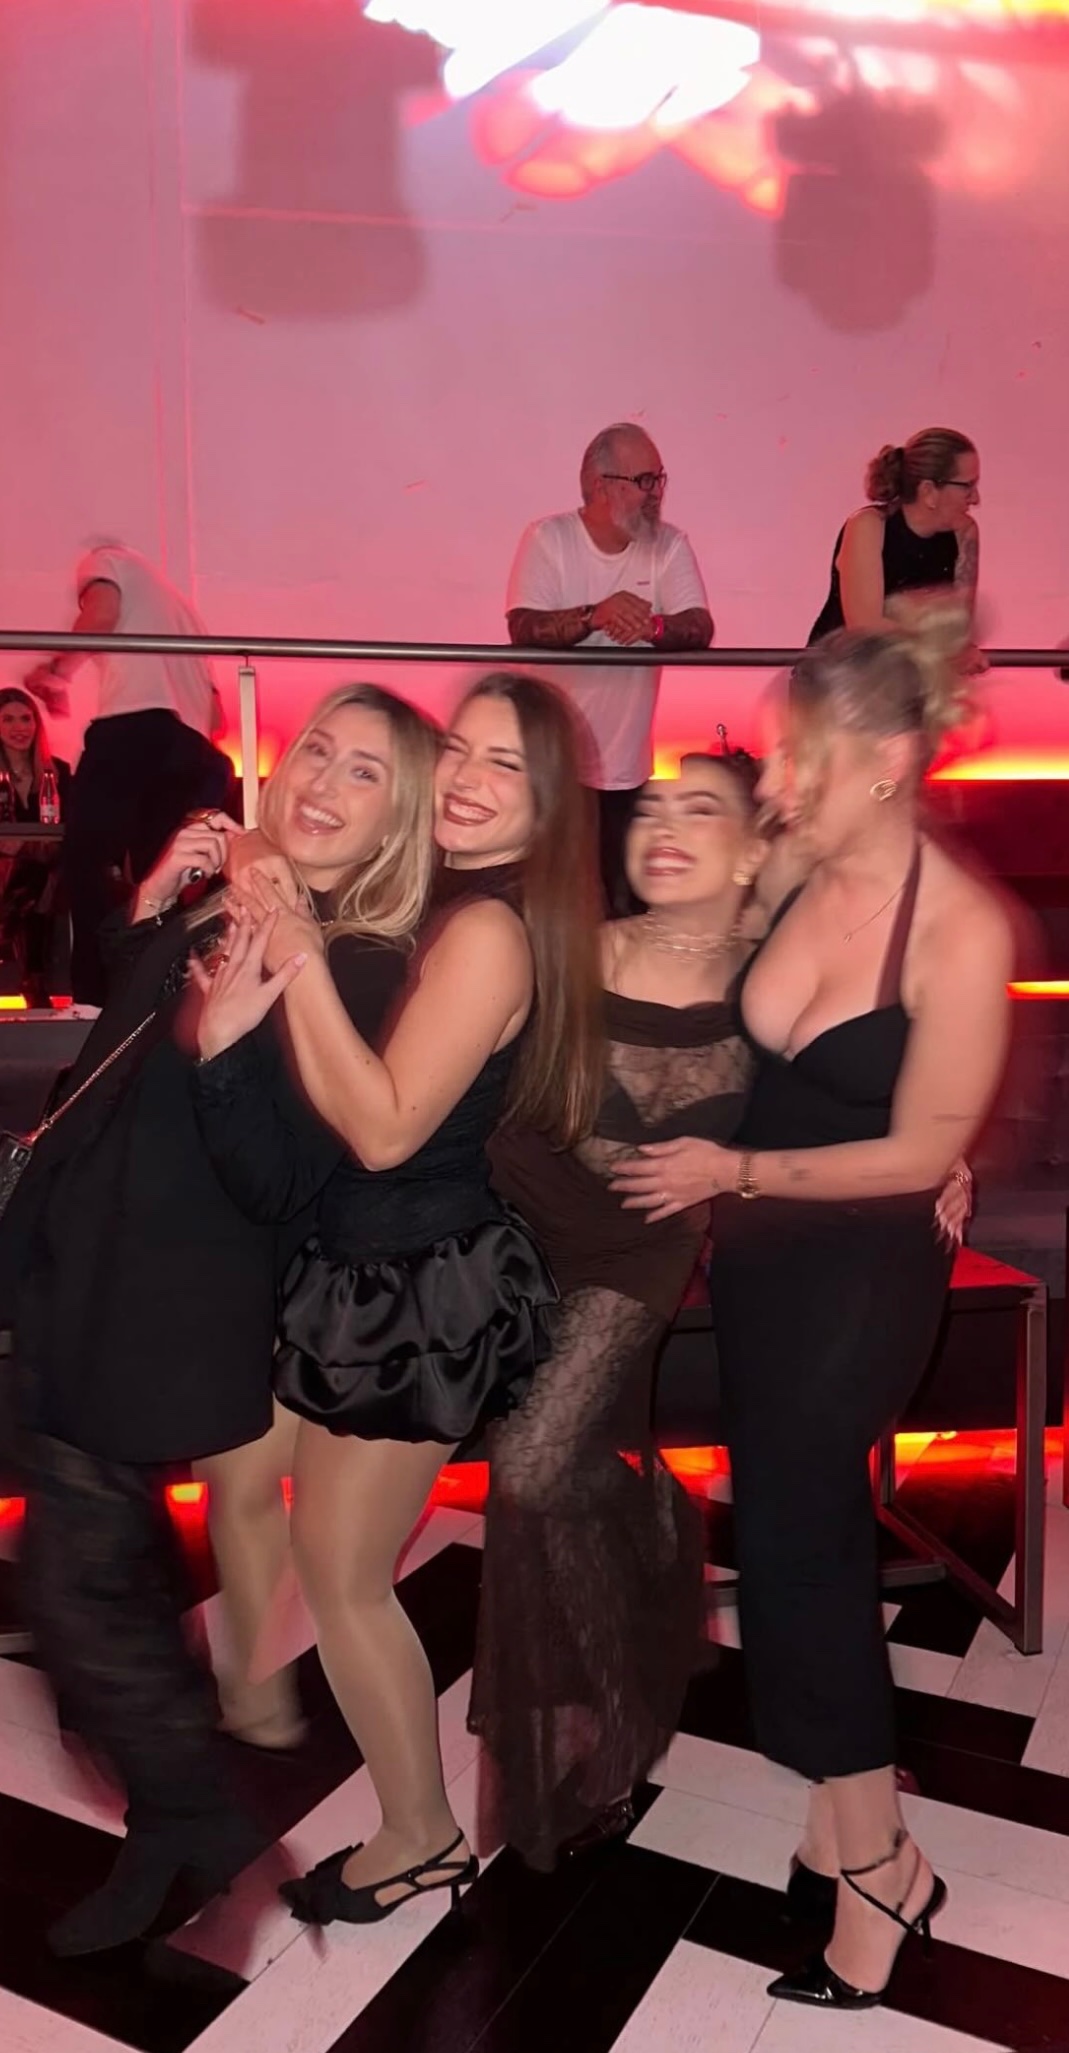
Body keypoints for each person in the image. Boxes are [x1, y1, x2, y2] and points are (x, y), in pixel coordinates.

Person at [612, 608, 1013, 2010]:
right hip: (759, 1261)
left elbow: (912, 1150)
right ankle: (838, 1827)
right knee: (790, 1538)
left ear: (890, 757)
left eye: (806, 757)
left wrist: (738, 1167)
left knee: (801, 1548)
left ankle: (884, 1866)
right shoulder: (791, 863)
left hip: (861, 1272)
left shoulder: (959, 928)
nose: (778, 780)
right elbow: (680, 948)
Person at [0, 682, 437, 1957]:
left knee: (80, 1584)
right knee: (86, 1571)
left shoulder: (357, 960)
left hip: (165, 1299)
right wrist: (149, 909)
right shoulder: (226, 899)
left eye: (365, 773)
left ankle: (190, 1814)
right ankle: (181, 1810)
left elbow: (280, 1182)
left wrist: (233, 1044)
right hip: (84, 1258)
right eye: (318, 751)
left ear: (398, 820)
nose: (323, 783)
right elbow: (118, 1038)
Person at [192, 671, 603, 1928]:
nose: (468, 781)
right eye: (460, 752)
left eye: (506, 767)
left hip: (415, 1290)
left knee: (346, 1577)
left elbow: (379, 1129)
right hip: (359, 1265)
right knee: (253, 1478)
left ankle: (419, 1834)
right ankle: (255, 1701)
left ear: (551, 806)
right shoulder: (445, 895)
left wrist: (295, 947)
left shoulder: (486, 931)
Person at [471, 750, 764, 1869]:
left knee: (534, 1464)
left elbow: (848, 1094)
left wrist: (935, 1156)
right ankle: (604, 1670)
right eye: (649, 808)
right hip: (518, 1228)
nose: (664, 825)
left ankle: (639, 1606)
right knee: (555, 1473)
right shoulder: (577, 951)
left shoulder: (777, 979)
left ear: (753, 849)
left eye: (701, 808)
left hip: (640, 1250)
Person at [506, 423, 713, 916]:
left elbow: (699, 626)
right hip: (553, 767)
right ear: (601, 486)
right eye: (643, 480)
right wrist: (593, 616)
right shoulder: (550, 538)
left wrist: (651, 625)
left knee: (623, 911)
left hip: (627, 770)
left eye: (659, 479)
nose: (655, 493)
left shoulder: (669, 544)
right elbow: (524, 627)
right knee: (550, 909)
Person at [25, 541, 236, 1006]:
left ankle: (94, 997)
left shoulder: (106, 561)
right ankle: (158, 991)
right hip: (190, 745)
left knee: (85, 860)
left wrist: (57, 671)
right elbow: (218, 715)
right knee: (158, 874)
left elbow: (101, 615)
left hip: (133, 727)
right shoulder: (182, 611)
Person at [808, 428, 980, 644]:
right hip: (844, 664)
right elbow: (864, 629)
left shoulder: (964, 532)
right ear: (928, 491)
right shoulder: (869, 525)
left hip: (916, 664)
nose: (975, 498)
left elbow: (960, 629)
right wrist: (938, 644)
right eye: (967, 486)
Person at [0, 687, 72, 1008]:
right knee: (35, 876)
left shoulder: (58, 772)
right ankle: (35, 979)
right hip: (8, 872)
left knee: (41, 874)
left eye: (26, 718)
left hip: (48, 866)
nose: (19, 727)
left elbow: (72, 828)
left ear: (36, 724)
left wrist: (25, 846)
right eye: (8, 720)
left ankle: (10, 937)